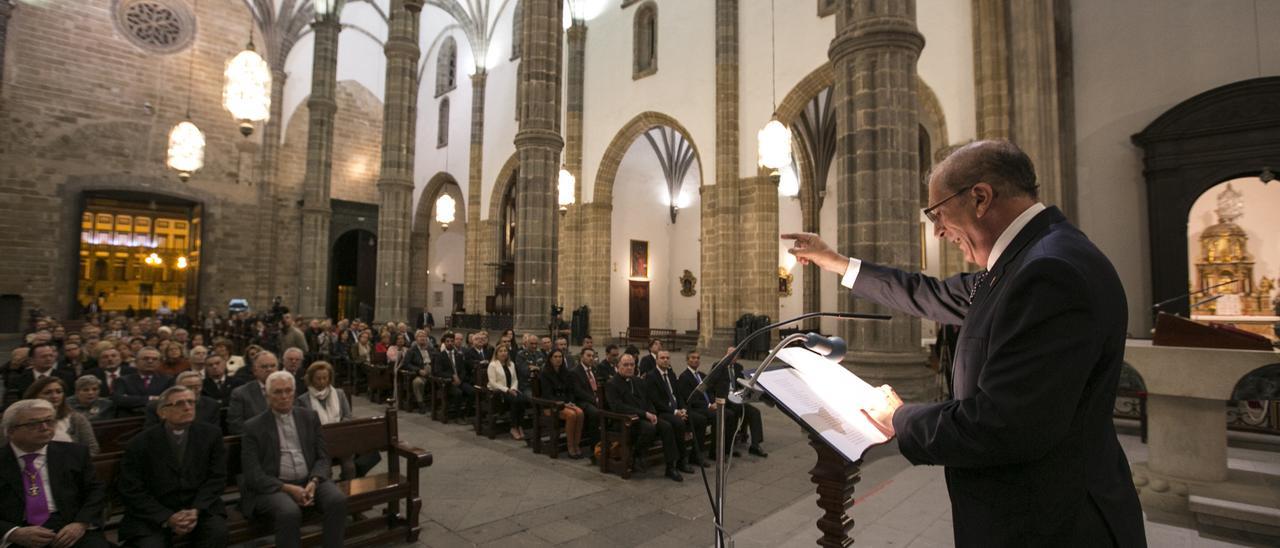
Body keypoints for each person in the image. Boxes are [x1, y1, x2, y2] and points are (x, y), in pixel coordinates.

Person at [782, 139, 1145, 547]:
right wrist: (836, 262)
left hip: (1054, 523)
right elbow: (929, 294)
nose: (937, 230)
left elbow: (1004, 426)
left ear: (980, 198)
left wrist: (899, 417)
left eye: (938, 213)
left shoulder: (1047, 272)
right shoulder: (1024, 262)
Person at [240, 371, 347, 548]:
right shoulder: (253, 427)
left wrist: (314, 480)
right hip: (274, 487)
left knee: (337, 500)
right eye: (277, 392)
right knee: (289, 512)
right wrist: (287, 488)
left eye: (288, 391)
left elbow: (323, 457)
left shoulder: (309, 416)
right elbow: (253, 474)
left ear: (294, 392)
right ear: (267, 395)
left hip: (310, 479)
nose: (284, 396)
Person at [118, 386, 229, 548]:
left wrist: (196, 510)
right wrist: (167, 517)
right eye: (179, 403)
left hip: (199, 507)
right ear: (162, 412)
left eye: (191, 402)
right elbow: (131, 489)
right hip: (154, 513)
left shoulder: (211, 434)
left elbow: (217, 477)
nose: (188, 407)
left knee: (217, 534)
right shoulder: (140, 443)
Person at [0, 399, 109, 548]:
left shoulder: (74, 453)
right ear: (10, 431)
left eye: (49, 421)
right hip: (17, 529)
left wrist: (80, 523)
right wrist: (12, 532)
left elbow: (95, 491)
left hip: (69, 524)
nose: (45, 427)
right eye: (33, 424)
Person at [296, 361, 379, 480]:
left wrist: (337, 430)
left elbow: (347, 416)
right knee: (326, 470)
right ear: (311, 379)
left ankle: (350, 493)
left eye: (325, 378)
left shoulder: (339, 394)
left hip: (340, 438)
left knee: (349, 468)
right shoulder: (303, 400)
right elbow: (305, 425)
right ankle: (330, 494)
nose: (321, 382)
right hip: (318, 442)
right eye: (318, 378)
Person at [605, 354, 681, 482]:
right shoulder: (612, 384)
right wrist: (645, 414)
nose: (629, 368)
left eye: (632, 365)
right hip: (624, 420)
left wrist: (652, 413)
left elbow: (648, 400)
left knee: (666, 426)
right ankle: (636, 455)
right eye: (625, 365)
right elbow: (618, 407)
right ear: (618, 367)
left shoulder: (638, 381)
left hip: (642, 418)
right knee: (649, 428)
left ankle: (670, 466)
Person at [642, 350, 700, 469]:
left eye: (667, 358)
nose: (665, 360)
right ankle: (680, 462)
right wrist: (675, 412)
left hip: (676, 409)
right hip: (662, 412)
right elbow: (656, 401)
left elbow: (678, 395)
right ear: (657, 360)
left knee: (700, 419)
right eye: (662, 358)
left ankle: (695, 455)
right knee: (679, 423)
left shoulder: (671, 374)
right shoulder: (651, 376)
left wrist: (683, 409)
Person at [675, 350, 737, 459]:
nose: (695, 360)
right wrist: (708, 406)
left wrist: (714, 402)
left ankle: (726, 448)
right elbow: (689, 398)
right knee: (717, 417)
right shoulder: (684, 377)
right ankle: (713, 453)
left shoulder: (702, 375)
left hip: (708, 406)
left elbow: (709, 391)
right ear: (687, 360)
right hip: (696, 408)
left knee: (730, 414)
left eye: (698, 358)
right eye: (692, 358)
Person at [15, 377, 100, 455]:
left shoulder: (76, 419)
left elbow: (92, 448)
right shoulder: (21, 419)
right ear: (34, 395)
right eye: (48, 392)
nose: (55, 396)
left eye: (59, 392)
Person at [539, 349, 586, 459]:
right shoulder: (545, 373)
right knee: (572, 415)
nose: (558, 359)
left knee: (580, 412)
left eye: (560, 357)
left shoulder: (566, 372)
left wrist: (570, 402)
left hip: (565, 403)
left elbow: (570, 390)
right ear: (550, 359)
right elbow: (547, 394)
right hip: (551, 405)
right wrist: (564, 404)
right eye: (555, 357)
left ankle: (576, 444)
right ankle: (570, 447)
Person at [145, 371, 220, 430]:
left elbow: (212, 433)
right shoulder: (156, 406)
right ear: (177, 387)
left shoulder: (211, 405)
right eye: (189, 387)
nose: (193, 391)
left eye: (197, 387)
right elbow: (151, 434)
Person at [114, 347, 175, 417]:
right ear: (136, 362)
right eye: (145, 359)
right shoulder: (123, 380)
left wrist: (131, 399)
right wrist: (151, 398)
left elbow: (168, 401)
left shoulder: (168, 380)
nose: (150, 361)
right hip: (130, 420)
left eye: (155, 359)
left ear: (159, 363)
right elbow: (119, 400)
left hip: (158, 419)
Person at [8, 342, 75, 407]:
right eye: (44, 356)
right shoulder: (19, 379)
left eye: (51, 356)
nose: (49, 359)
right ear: (31, 360)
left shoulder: (67, 377)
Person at [226, 352, 278, 435]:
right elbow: (235, 426)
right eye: (264, 366)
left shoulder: (288, 390)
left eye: (273, 366)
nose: (269, 369)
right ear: (255, 371)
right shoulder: (240, 394)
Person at [486, 344, 528, 440]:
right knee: (515, 400)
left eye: (505, 351)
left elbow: (515, 379)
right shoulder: (493, 365)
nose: (503, 353)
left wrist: (513, 388)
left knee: (523, 399)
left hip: (511, 390)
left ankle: (519, 425)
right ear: (496, 354)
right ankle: (513, 427)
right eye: (501, 351)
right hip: (498, 392)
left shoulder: (511, 364)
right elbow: (492, 383)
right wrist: (507, 390)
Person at [431, 332, 473, 422]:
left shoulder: (459, 355)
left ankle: (466, 413)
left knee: (472, 391)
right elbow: (437, 371)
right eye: (448, 341)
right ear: (444, 343)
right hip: (447, 382)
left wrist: (460, 379)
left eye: (452, 341)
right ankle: (457, 417)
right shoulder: (440, 356)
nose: (450, 343)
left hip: (459, 381)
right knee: (458, 393)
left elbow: (463, 370)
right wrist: (452, 376)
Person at [568, 348, 602, 454]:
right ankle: (594, 446)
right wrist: (594, 400)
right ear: (581, 356)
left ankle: (605, 442)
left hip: (595, 399)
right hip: (581, 401)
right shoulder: (575, 372)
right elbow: (578, 392)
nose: (591, 358)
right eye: (588, 355)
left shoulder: (594, 369)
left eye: (593, 356)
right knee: (595, 413)